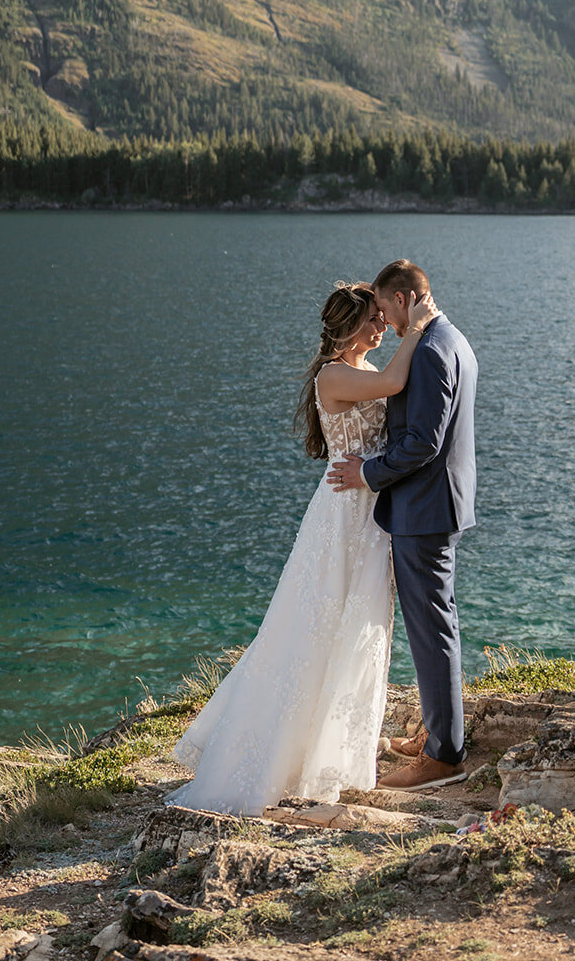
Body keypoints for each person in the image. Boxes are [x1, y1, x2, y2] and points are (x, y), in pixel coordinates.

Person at [164, 280, 436, 816]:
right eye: (372, 320)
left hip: (369, 509)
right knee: (314, 625)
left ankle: (330, 752)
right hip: (343, 515)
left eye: (383, 319)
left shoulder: (357, 372)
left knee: (359, 627)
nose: (382, 326)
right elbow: (395, 380)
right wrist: (420, 327)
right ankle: (269, 753)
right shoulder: (335, 374)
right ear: (347, 326)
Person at [329, 259, 477, 792]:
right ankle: (440, 734)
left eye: (386, 309)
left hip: (425, 510)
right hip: (433, 506)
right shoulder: (450, 338)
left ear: (404, 299)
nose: (385, 323)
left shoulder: (434, 349)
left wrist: (369, 474)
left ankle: (443, 756)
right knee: (433, 625)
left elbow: (423, 443)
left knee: (432, 629)